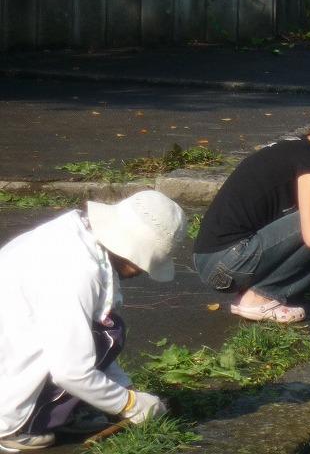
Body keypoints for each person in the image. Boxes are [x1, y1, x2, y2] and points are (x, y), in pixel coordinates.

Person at [1, 190, 185, 451]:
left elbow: (84, 332)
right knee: (109, 333)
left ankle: (63, 410)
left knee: (104, 328)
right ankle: (19, 425)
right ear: (132, 252)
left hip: (13, 344)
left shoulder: (76, 233)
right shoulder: (77, 272)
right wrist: (128, 404)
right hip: (7, 385)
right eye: (146, 263)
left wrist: (125, 389)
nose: (144, 271)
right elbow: (71, 370)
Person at [194, 102, 310, 324]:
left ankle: (261, 293)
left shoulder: (291, 151)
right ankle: (258, 299)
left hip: (211, 263)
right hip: (229, 262)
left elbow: (297, 251)